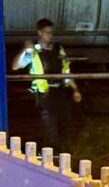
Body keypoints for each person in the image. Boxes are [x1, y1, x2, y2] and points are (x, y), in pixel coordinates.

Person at [12, 18, 82, 153]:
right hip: (44, 94)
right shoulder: (33, 51)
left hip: (61, 92)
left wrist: (75, 89)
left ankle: (63, 153)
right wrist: (24, 50)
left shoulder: (58, 49)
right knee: (50, 125)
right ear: (40, 33)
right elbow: (15, 66)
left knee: (65, 123)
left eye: (51, 32)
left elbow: (66, 71)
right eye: (47, 32)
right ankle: (51, 153)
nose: (50, 35)